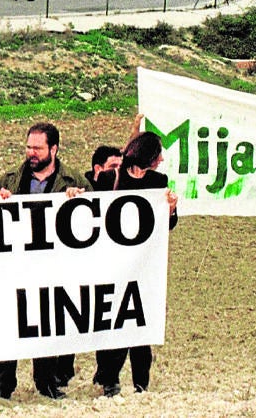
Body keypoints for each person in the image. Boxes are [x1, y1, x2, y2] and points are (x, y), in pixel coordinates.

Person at [0, 122, 86, 400]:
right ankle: (3, 383)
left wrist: (79, 202)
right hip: (15, 266)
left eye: (37, 148)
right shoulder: (8, 180)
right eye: (28, 147)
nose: (31, 153)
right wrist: (0, 204)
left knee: (46, 323)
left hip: (53, 266)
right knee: (10, 323)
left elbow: (94, 219)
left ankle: (46, 382)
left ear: (53, 149)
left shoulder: (75, 182)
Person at [91, 131, 179, 397]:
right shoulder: (110, 179)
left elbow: (169, 225)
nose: (162, 159)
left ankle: (141, 382)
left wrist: (171, 209)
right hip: (114, 264)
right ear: (148, 156)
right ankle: (109, 380)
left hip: (144, 265)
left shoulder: (158, 181)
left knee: (142, 325)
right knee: (115, 323)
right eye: (158, 154)